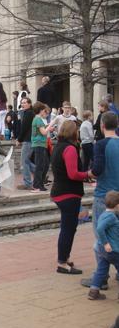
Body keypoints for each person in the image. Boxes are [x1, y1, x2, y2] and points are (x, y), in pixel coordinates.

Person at [81, 113, 119, 290]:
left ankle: (101, 278)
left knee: (101, 237)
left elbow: (97, 169)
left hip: (105, 196)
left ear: (102, 126)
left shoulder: (101, 145)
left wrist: (87, 174)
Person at [50, 120, 90, 275]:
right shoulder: (70, 149)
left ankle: (65, 257)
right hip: (68, 193)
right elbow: (73, 173)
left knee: (68, 228)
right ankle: (62, 262)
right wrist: (88, 174)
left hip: (60, 191)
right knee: (68, 229)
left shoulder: (58, 146)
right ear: (74, 132)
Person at [87, 190, 119, 300]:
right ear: (117, 205)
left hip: (102, 251)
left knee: (101, 270)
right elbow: (100, 229)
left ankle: (93, 292)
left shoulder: (103, 214)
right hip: (113, 250)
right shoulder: (111, 217)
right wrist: (106, 243)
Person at [30, 102, 53, 192]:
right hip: (38, 144)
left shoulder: (38, 119)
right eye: (44, 110)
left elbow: (42, 130)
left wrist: (47, 127)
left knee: (44, 165)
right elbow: (43, 132)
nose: (45, 112)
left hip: (41, 144)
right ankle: (36, 186)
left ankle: (40, 184)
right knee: (40, 166)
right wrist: (50, 126)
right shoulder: (38, 119)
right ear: (41, 110)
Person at [16, 97, 35, 190]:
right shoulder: (29, 113)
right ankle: (40, 175)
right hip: (30, 139)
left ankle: (27, 183)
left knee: (24, 161)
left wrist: (19, 139)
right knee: (26, 161)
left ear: (29, 104)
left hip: (28, 140)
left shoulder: (28, 113)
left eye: (24, 103)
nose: (23, 104)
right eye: (22, 103)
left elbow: (24, 128)